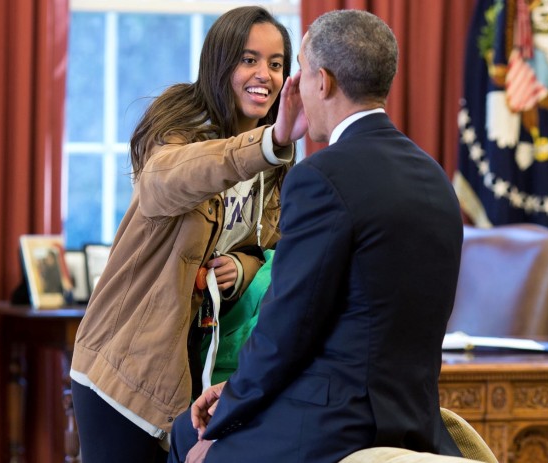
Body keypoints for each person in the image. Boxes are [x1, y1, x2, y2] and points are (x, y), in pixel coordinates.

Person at [168, 9, 465, 463]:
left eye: (299, 73)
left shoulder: (321, 178)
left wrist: (228, 415)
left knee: (185, 437)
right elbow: (354, 322)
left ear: (322, 82)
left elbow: (288, 324)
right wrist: (239, 389)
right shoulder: (434, 178)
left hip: (332, 428)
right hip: (415, 423)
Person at [69, 6, 306, 463]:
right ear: (221, 65)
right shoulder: (180, 132)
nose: (265, 75)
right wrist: (266, 145)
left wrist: (243, 265)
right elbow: (162, 185)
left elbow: (267, 242)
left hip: (191, 374)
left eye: (276, 64)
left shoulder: (275, 157)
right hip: (123, 372)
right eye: (249, 60)